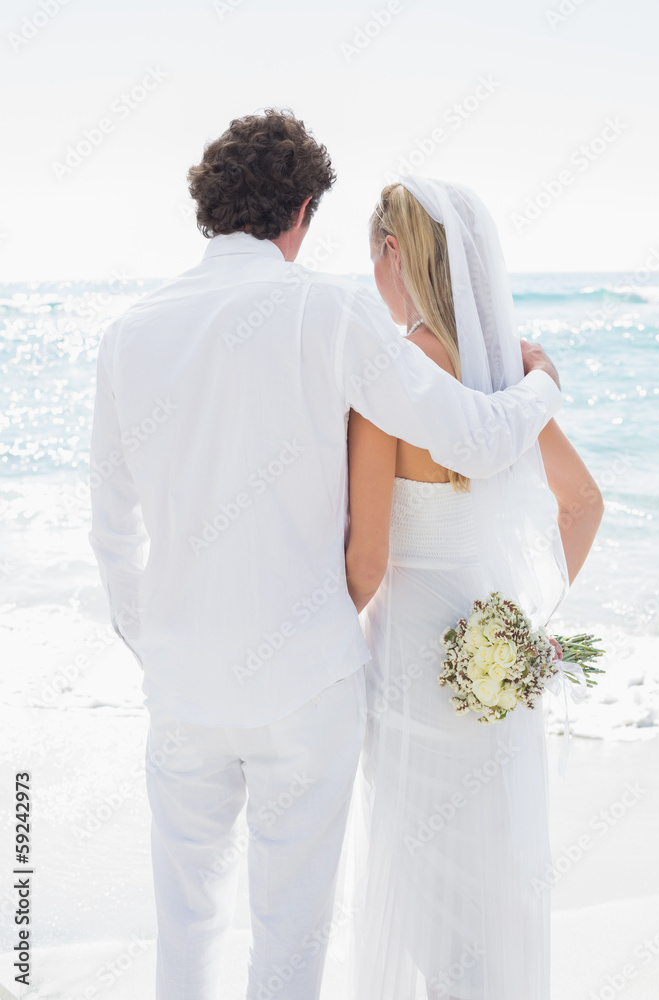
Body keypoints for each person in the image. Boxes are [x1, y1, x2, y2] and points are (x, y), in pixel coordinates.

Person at [88, 111, 563, 1000]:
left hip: (181, 688)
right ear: (302, 209)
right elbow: (473, 437)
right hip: (306, 685)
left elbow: (112, 531)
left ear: (206, 208)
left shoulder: (129, 333)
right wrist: (539, 384)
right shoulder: (331, 311)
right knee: (289, 938)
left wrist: (157, 645)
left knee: (184, 928)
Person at [345, 177, 604, 1000]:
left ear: (392, 254)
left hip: (414, 675)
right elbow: (582, 504)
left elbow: (370, 556)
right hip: (494, 674)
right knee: (490, 897)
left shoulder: (392, 375)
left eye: (370, 257)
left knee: (421, 895)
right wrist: (522, 627)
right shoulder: (503, 377)